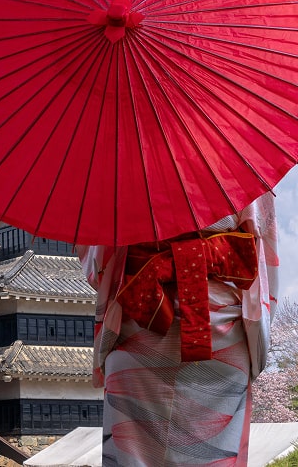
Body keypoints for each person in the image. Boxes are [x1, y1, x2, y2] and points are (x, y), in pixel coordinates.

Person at [76, 193, 279, 466]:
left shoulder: (117, 175)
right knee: (215, 455)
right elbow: (264, 251)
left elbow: (98, 263)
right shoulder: (239, 173)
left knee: (131, 450)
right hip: (223, 330)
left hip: (142, 319)